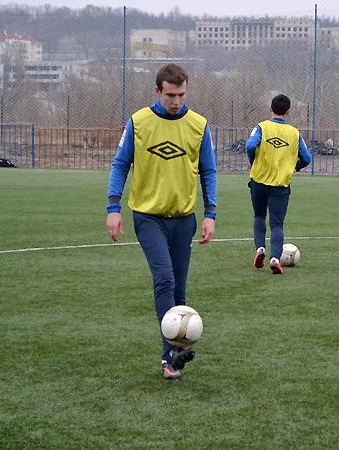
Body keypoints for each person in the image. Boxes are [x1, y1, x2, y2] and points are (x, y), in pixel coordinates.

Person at [106, 64, 217, 380]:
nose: (176, 101)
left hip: (184, 219)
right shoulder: (139, 122)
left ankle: (174, 353)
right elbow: (120, 164)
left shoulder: (198, 125)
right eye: (170, 95)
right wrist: (113, 207)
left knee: (179, 291)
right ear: (157, 91)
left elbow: (208, 170)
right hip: (148, 217)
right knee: (165, 279)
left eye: (181, 94)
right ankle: (171, 353)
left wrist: (210, 214)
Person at [246, 94, 311, 274]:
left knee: (259, 217)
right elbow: (307, 158)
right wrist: (295, 166)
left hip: (258, 182)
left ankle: (260, 249)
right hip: (280, 187)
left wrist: (252, 159)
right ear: (288, 111)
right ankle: (275, 259)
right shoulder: (294, 133)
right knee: (276, 224)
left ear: (270, 108)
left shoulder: (261, 127)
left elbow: (250, 145)